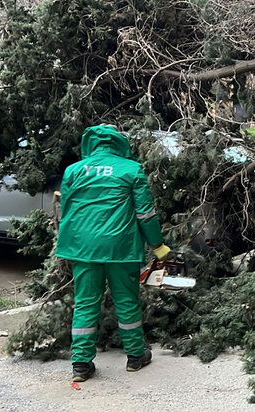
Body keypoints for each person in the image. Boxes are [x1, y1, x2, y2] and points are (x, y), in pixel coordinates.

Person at [55, 125, 172, 382]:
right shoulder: (131, 169)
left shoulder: (73, 171)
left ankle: (81, 365)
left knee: (85, 303)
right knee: (126, 301)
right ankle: (134, 356)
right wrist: (156, 244)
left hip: (83, 249)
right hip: (121, 247)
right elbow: (145, 213)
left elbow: (68, 211)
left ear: (91, 143)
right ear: (120, 143)